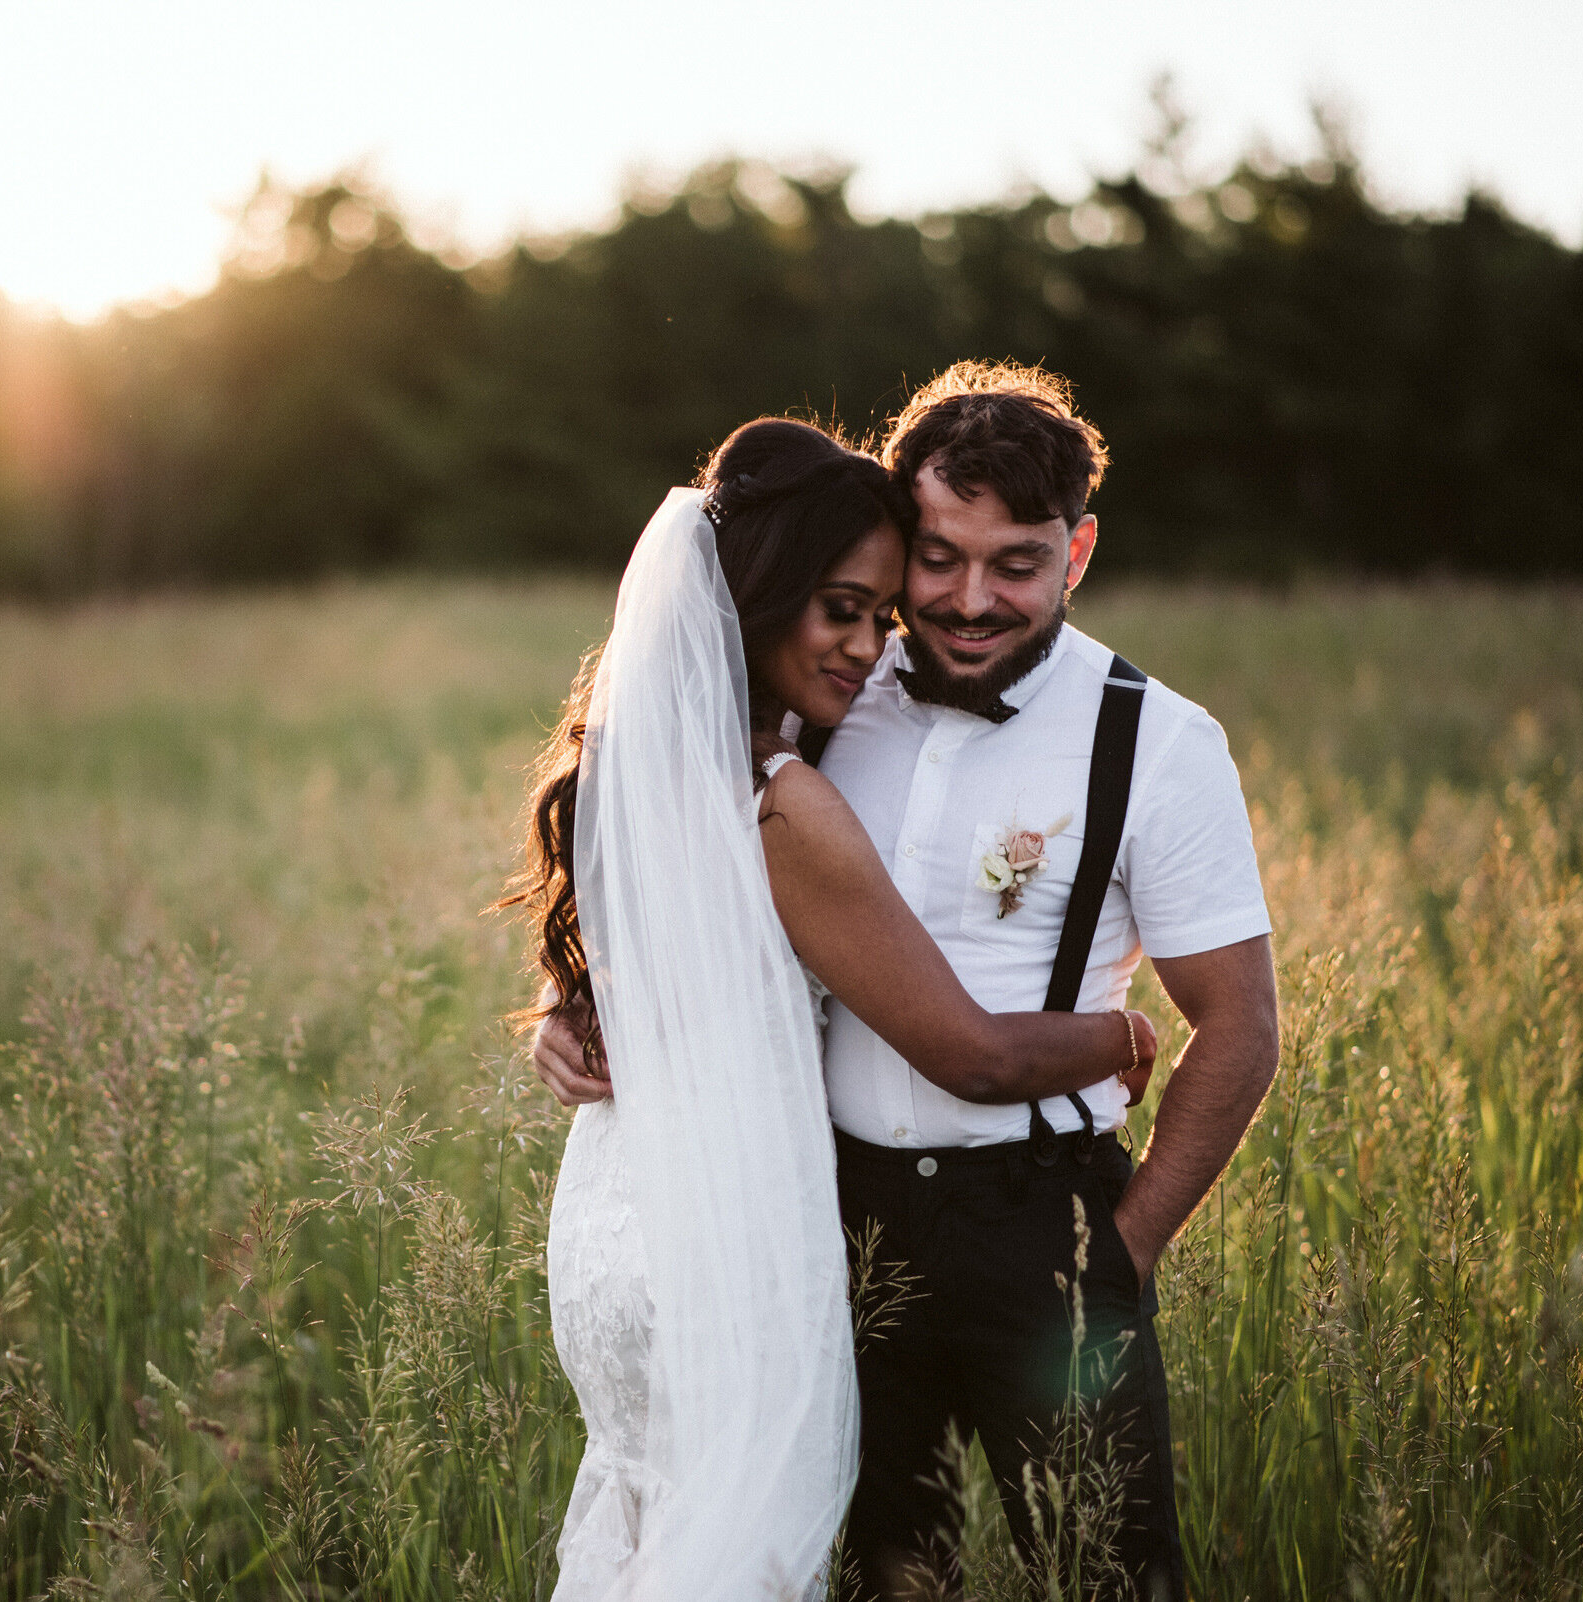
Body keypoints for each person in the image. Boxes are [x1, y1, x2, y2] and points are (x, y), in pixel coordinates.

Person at [536, 364, 1281, 1600]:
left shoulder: (1156, 742)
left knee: (1104, 1575)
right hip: (834, 1218)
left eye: (1019, 564)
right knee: (884, 1573)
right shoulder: (828, 682)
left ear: (1078, 551)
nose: (970, 601)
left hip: (1040, 1222)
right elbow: (695, 894)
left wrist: (1122, 1251)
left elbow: (1242, 1027)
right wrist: (576, 1017)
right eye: (939, 558)